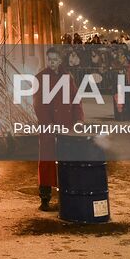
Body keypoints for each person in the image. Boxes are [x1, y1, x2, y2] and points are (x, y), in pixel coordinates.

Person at [34, 47, 84, 212]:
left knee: (66, 161)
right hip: (48, 128)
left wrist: (79, 119)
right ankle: (45, 197)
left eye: (55, 59)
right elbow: (39, 105)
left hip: (66, 126)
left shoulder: (67, 78)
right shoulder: (40, 78)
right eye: (49, 59)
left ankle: (67, 195)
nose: (52, 62)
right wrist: (49, 124)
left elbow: (76, 99)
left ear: (60, 61)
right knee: (47, 161)